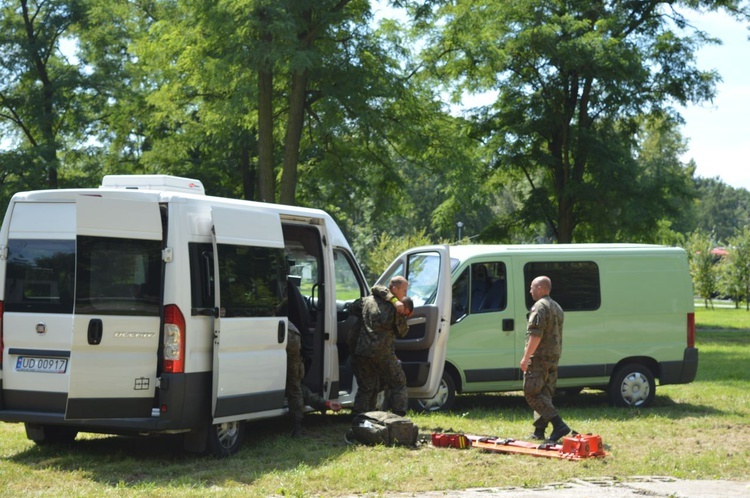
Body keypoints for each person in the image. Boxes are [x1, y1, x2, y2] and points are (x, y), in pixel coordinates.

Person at [351, 276, 412, 416]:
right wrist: (404, 316)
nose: (405, 295)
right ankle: (399, 417)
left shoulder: (367, 301)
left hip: (363, 351)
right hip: (383, 353)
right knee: (399, 382)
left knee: (366, 387)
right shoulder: (395, 309)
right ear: (394, 289)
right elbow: (402, 332)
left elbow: (352, 308)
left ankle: (358, 420)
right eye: (404, 291)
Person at [520, 275, 570, 442]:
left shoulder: (540, 307)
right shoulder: (557, 307)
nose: (530, 290)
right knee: (544, 393)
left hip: (539, 357)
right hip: (553, 357)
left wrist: (526, 358)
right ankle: (539, 430)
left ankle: (558, 425)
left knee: (531, 392)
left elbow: (535, 335)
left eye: (532, 287)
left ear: (540, 289)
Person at [286, 321, 342, 438]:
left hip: (286, 331)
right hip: (288, 330)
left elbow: (304, 393)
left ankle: (296, 428)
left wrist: (327, 403)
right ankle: (296, 429)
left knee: (295, 387)